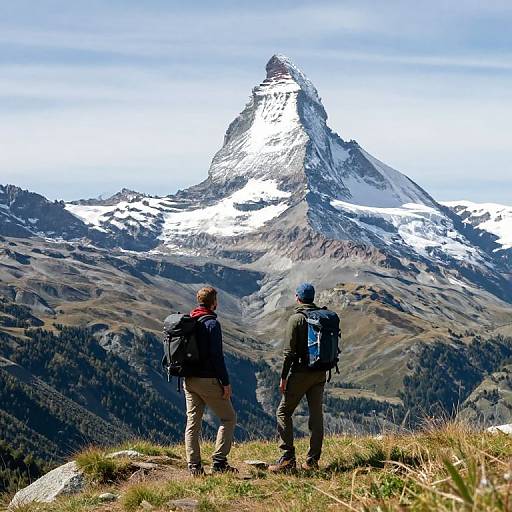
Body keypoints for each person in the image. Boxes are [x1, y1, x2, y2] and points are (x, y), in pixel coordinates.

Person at [269, 283, 328, 472]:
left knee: (283, 412)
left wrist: (283, 377)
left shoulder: (297, 319)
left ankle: (287, 459)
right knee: (316, 415)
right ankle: (312, 461)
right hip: (320, 372)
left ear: (298, 298)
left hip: (301, 372)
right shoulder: (323, 316)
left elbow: (288, 353)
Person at [183, 286, 237, 476]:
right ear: (214, 303)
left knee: (193, 422)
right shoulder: (212, 324)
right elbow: (217, 357)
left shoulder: (190, 320)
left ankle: (194, 466)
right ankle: (219, 462)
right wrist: (225, 382)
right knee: (229, 418)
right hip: (208, 380)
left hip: (189, 380)